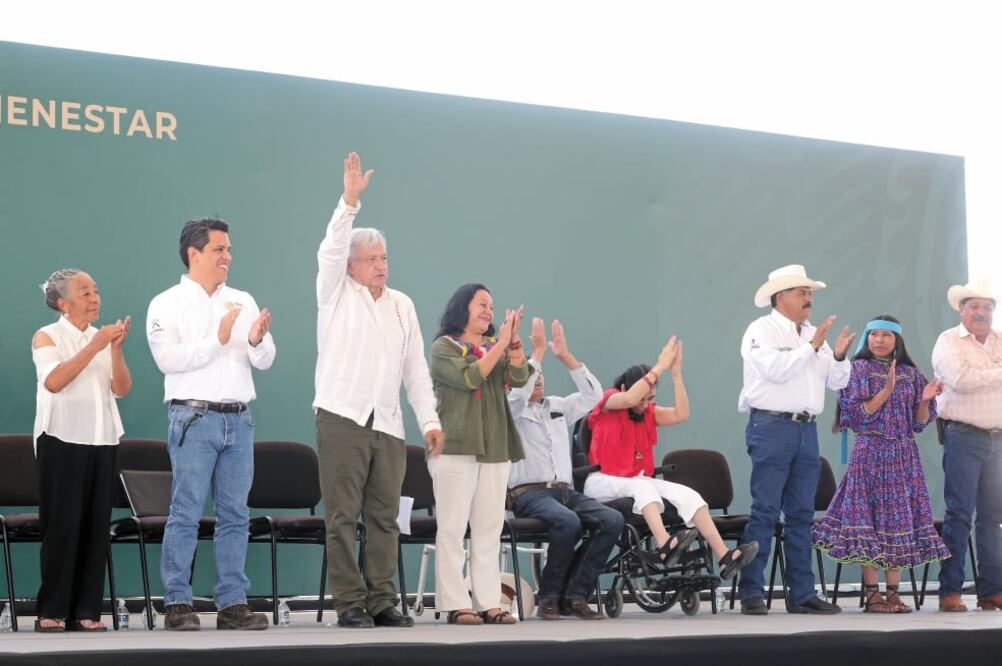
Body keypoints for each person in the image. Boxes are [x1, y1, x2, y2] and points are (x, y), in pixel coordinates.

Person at [313, 152, 443, 629]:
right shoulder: (334, 291)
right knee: (342, 517)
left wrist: (428, 421)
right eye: (371, 259)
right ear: (351, 266)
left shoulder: (402, 306)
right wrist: (349, 201)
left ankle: (382, 600)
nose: (381, 265)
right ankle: (350, 601)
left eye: (384, 258)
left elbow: (415, 371)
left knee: (385, 518)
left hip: (387, 424)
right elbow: (329, 250)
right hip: (341, 415)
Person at [147, 217, 275, 631]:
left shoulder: (242, 298)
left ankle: (232, 603)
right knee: (184, 511)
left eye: (230, 250)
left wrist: (254, 339)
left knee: (235, 514)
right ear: (194, 253)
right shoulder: (165, 303)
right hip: (193, 416)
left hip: (239, 418)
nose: (227, 257)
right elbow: (168, 360)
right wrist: (218, 339)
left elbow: (266, 358)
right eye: (219, 249)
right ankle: (177, 602)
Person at [584, 339, 758, 580]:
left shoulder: (647, 412)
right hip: (603, 479)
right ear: (626, 387)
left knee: (690, 496)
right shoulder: (611, 400)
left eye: (650, 398)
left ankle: (724, 557)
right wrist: (660, 365)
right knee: (643, 487)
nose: (645, 404)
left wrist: (676, 375)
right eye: (642, 398)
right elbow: (627, 400)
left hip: (636, 478)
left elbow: (680, 414)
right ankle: (665, 546)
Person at [737, 264, 855, 615]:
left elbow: (838, 381)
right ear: (781, 297)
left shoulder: (811, 334)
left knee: (802, 514)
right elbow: (774, 369)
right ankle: (752, 592)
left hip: (807, 429)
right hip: (771, 427)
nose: (809, 299)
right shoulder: (761, 329)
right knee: (765, 511)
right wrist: (812, 346)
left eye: (810, 294)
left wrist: (837, 354)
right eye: (803, 293)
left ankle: (802, 593)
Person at [812, 315, 949, 612]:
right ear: (867, 338)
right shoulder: (857, 369)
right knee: (868, 520)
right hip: (870, 453)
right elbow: (858, 416)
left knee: (898, 520)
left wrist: (924, 400)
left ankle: (894, 594)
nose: (879, 340)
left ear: (897, 340)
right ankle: (872, 595)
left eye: (887, 335)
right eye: (874, 334)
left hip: (903, 455)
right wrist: (885, 392)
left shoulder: (911, 374)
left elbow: (918, 423)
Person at [31, 269, 131, 632]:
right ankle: (53, 610)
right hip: (61, 439)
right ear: (63, 303)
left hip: (102, 439)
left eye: (96, 290)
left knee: (95, 526)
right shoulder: (47, 337)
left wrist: (115, 350)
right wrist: (96, 345)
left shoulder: (102, 339)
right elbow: (55, 381)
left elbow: (121, 388)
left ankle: (88, 610)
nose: (94, 298)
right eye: (85, 292)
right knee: (63, 525)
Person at [428, 284, 531, 625]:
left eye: (492, 306)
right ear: (463, 307)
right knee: (452, 530)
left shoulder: (495, 347)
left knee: (489, 530)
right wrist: (501, 344)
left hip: (495, 447)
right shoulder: (444, 347)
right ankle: (456, 603)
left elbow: (518, 377)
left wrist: (513, 341)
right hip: (456, 448)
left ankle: (489, 602)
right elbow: (471, 377)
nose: (489, 311)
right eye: (482, 304)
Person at [507, 318, 623, 620]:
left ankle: (575, 593)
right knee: (568, 522)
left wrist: (565, 357)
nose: (539, 379)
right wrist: (538, 352)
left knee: (612, 520)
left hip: (565, 491)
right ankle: (549, 596)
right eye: (533, 375)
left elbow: (594, 396)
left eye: (542, 375)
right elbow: (519, 393)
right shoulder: (511, 410)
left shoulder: (558, 405)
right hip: (530, 495)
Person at [932, 277, 1002, 612]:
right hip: (964, 435)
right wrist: (998, 372)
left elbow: (975, 378)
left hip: (998, 439)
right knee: (959, 514)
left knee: (992, 518)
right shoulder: (948, 341)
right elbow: (959, 381)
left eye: (987, 307)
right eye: (973, 306)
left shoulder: (1000, 340)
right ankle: (950, 591)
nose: (981, 312)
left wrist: (987, 371)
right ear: (961, 311)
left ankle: (992, 591)